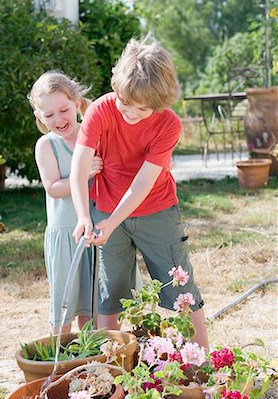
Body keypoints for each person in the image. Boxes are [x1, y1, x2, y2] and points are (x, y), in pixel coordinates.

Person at [70, 37, 209, 349]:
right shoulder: (100, 110)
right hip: (104, 210)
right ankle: (112, 367)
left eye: (142, 109)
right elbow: (79, 167)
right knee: (111, 293)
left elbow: (142, 184)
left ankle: (204, 367)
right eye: (124, 103)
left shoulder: (169, 125)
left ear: (160, 103)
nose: (130, 113)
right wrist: (84, 215)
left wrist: (113, 221)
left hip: (156, 212)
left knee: (180, 289)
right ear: (116, 90)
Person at [28, 70, 103, 334]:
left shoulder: (93, 136)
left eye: (63, 110)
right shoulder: (46, 145)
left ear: (77, 104)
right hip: (65, 236)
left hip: (95, 231)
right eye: (48, 115)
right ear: (39, 117)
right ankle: (60, 360)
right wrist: (82, 172)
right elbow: (53, 188)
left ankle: (88, 361)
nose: (58, 119)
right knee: (64, 304)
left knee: (92, 306)